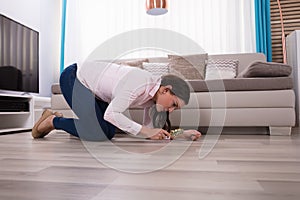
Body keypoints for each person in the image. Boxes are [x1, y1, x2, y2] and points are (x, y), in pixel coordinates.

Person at [32, 61, 201, 141]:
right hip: (75, 78)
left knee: (108, 132)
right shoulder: (140, 82)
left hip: (95, 93)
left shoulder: (152, 98)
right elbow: (112, 114)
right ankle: (53, 121)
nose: (170, 110)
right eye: (173, 105)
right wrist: (144, 131)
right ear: (166, 89)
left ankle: (57, 120)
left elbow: (151, 131)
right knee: (99, 133)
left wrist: (181, 134)